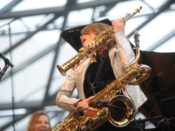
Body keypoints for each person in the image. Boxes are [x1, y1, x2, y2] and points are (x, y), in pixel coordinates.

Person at [56, 18, 147, 130]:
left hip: (122, 117)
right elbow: (60, 98)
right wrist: (78, 103)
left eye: (86, 33)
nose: (80, 37)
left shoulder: (118, 51)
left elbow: (130, 68)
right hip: (94, 122)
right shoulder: (78, 67)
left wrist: (119, 34)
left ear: (100, 34)